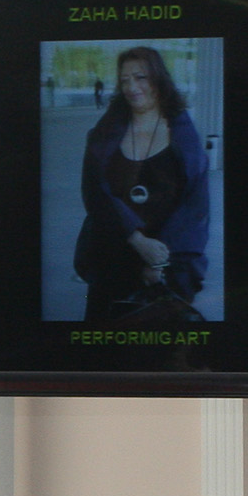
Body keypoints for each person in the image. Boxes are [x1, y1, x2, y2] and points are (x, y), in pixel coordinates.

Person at [73, 46, 210, 319]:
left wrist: (160, 262)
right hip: (113, 254)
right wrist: (135, 238)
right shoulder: (104, 134)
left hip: (166, 259)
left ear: (158, 79)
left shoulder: (184, 137)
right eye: (125, 80)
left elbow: (194, 209)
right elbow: (95, 193)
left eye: (140, 77)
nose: (131, 87)